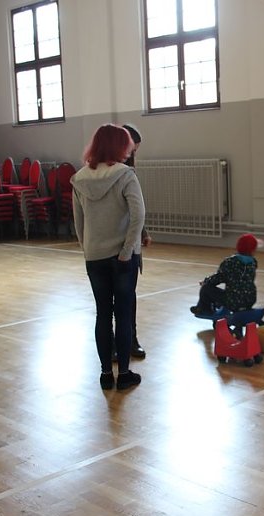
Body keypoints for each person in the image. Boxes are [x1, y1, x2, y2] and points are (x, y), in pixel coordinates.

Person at [71, 124, 145, 391]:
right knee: (123, 315)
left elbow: (78, 222)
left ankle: (105, 374)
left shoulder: (79, 178)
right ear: (118, 145)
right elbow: (138, 216)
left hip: (95, 256)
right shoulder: (126, 175)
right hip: (123, 259)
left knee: (103, 314)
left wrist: (87, 248)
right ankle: (124, 374)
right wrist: (127, 251)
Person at [114, 123, 148, 360]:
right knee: (118, 301)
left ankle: (129, 341)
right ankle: (121, 345)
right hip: (117, 247)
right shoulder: (117, 172)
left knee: (127, 298)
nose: (133, 153)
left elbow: (136, 209)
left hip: (128, 245)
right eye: (132, 149)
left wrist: (142, 232)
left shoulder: (129, 172)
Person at [190, 233, 260, 316]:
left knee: (206, 288)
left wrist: (206, 281)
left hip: (233, 301)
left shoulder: (230, 262)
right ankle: (215, 305)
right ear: (253, 250)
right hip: (250, 300)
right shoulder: (253, 263)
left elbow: (218, 278)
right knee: (234, 292)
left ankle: (204, 309)